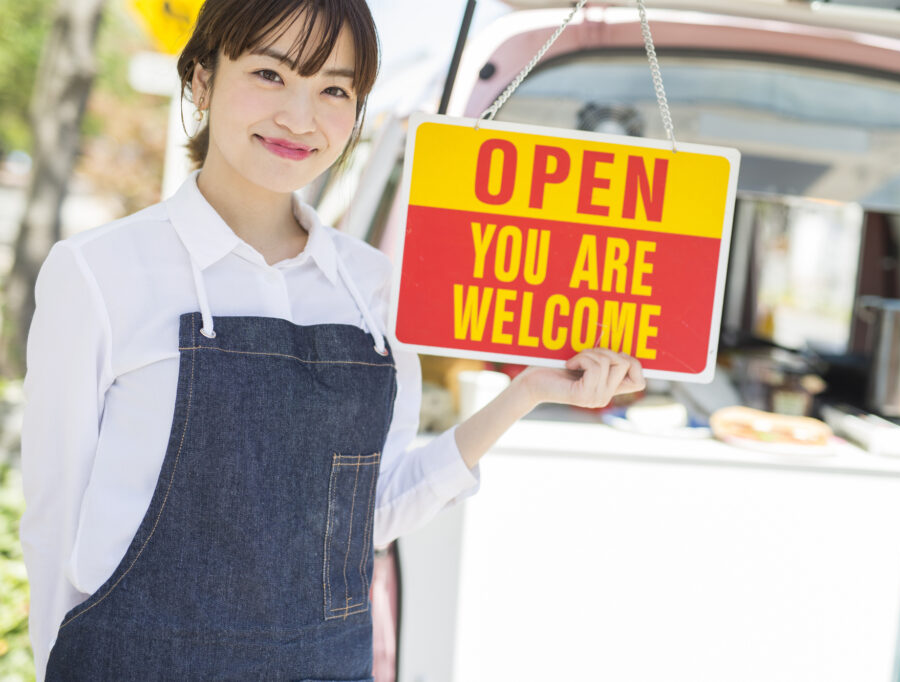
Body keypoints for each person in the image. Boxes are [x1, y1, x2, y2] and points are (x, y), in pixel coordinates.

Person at [19, 0, 645, 679]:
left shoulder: (374, 288)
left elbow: (369, 518)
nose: (299, 117)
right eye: (269, 74)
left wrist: (527, 393)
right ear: (201, 79)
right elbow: (53, 527)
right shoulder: (99, 273)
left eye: (334, 90)